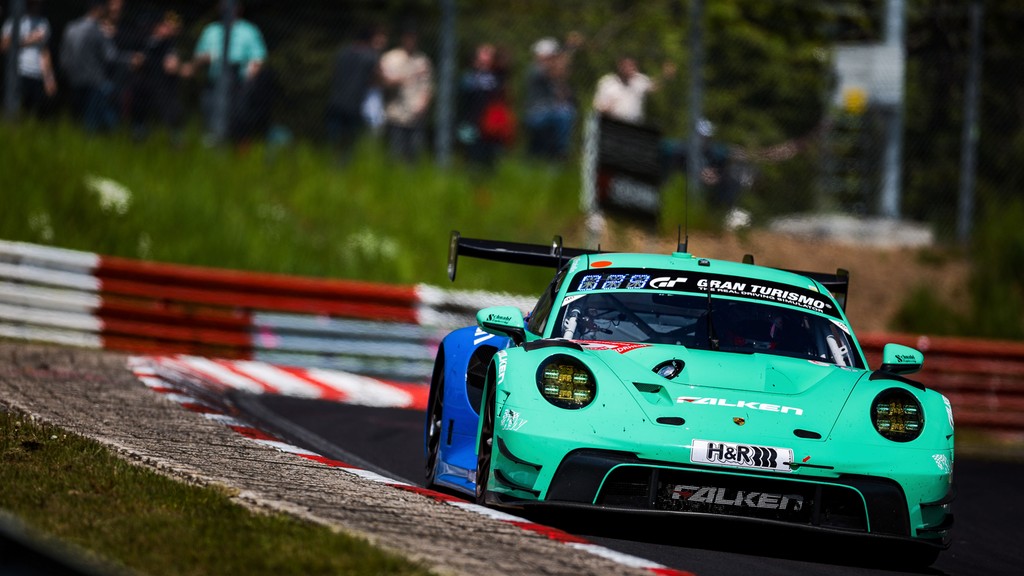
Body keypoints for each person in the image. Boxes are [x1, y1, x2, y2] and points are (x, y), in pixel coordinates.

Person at [191, 0, 267, 139]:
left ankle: (237, 142)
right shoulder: (210, 30)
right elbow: (197, 57)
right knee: (209, 109)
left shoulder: (249, 31)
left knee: (239, 115)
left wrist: (250, 77)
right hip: (213, 80)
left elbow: (258, 58)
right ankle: (213, 140)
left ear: (239, 8)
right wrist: (203, 59)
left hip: (240, 83)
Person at [60, 0, 137, 132]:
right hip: (94, 80)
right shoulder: (97, 30)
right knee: (95, 117)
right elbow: (111, 56)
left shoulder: (71, 27)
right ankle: (116, 134)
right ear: (99, 10)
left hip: (74, 79)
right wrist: (131, 58)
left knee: (79, 114)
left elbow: (64, 57)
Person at [128, 10, 190, 142]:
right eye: (166, 26)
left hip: (164, 84)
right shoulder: (146, 40)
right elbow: (136, 60)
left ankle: (176, 138)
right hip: (145, 81)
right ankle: (139, 133)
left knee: (171, 109)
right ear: (158, 26)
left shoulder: (170, 44)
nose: (168, 30)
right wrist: (137, 61)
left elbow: (173, 61)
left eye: (172, 27)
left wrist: (175, 64)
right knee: (139, 103)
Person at [325, 26, 382, 162]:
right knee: (350, 143)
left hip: (335, 102)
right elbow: (378, 78)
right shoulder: (370, 56)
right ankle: (345, 166)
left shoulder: (343, 52)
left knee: (334, 142)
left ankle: (333, 166)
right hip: (354, 105)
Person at [379, 27, 433, 163]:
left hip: (416, 114)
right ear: (403, 38)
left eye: (414, 37)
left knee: (415, 154)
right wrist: (402, 78)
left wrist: (423, 104)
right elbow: (384, 82)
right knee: (396, 153)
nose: (411, 40)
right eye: (408, 37)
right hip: (396, 113)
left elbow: (427, 86)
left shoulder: (422, 60)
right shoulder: (391, 58)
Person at [523, 35, 579, 161]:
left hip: (552, 111)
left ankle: (559, 155)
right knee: (563, 115)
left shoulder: (555, 77)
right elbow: (555, 71)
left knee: (566, 112)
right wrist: (569, 48)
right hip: (537, 112)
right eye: (551, 56)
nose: (553, 59)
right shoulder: (535, 70)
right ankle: (558, 153)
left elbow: (562, 78)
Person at [456, 42, 510, 169]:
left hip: (490, 124)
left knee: (490, 156)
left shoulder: (497, 76)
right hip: (470, 121)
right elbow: (463, 99)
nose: (488, 56)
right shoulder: (468, 76)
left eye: (491, 53)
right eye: (485, 52)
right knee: (470, 152)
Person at [0, 0, 56, 118]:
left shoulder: (43, 23)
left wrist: (49, 78)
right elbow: (4, 46)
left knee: (33, 111)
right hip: (19, 71)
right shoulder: (13, 22)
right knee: (16, 108)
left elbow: (44, 52)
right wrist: (29, 39)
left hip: (37, 73)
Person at [593, 55, 675, 125]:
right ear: (620, 66)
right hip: (612, 126)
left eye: (633, 66)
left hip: (634, 126)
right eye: (628, 66)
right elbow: (597, 107)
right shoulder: (607, 83)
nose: (631, 69)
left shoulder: (639, 80)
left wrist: (665, 77)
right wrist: (607, 108)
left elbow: (654, 86)